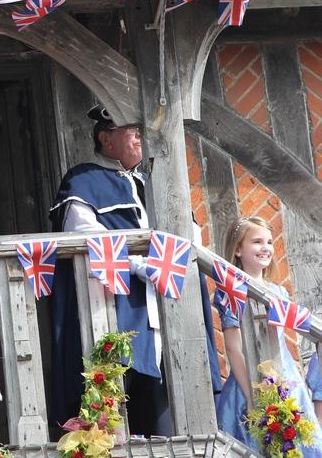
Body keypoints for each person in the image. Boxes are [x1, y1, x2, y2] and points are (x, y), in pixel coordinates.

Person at [48, 104, 221, 437]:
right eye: (134, 131)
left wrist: (164, 259)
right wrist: (136, 262)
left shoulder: (156, 179)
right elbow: (83, 235)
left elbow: (192, 233)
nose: (142, 138)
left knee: (167, 416)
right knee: (114, 412)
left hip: (165, 308)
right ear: (106, 138)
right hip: (116, 310)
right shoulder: (83, 180)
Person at [215, 216, 322, 453]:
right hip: (248, 384)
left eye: (269, 242)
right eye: (256, 241)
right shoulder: (230, 290)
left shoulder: (279, 292)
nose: (265, 248)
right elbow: (233, 348)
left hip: (285, 380)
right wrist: (252, 397)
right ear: (238, 249)